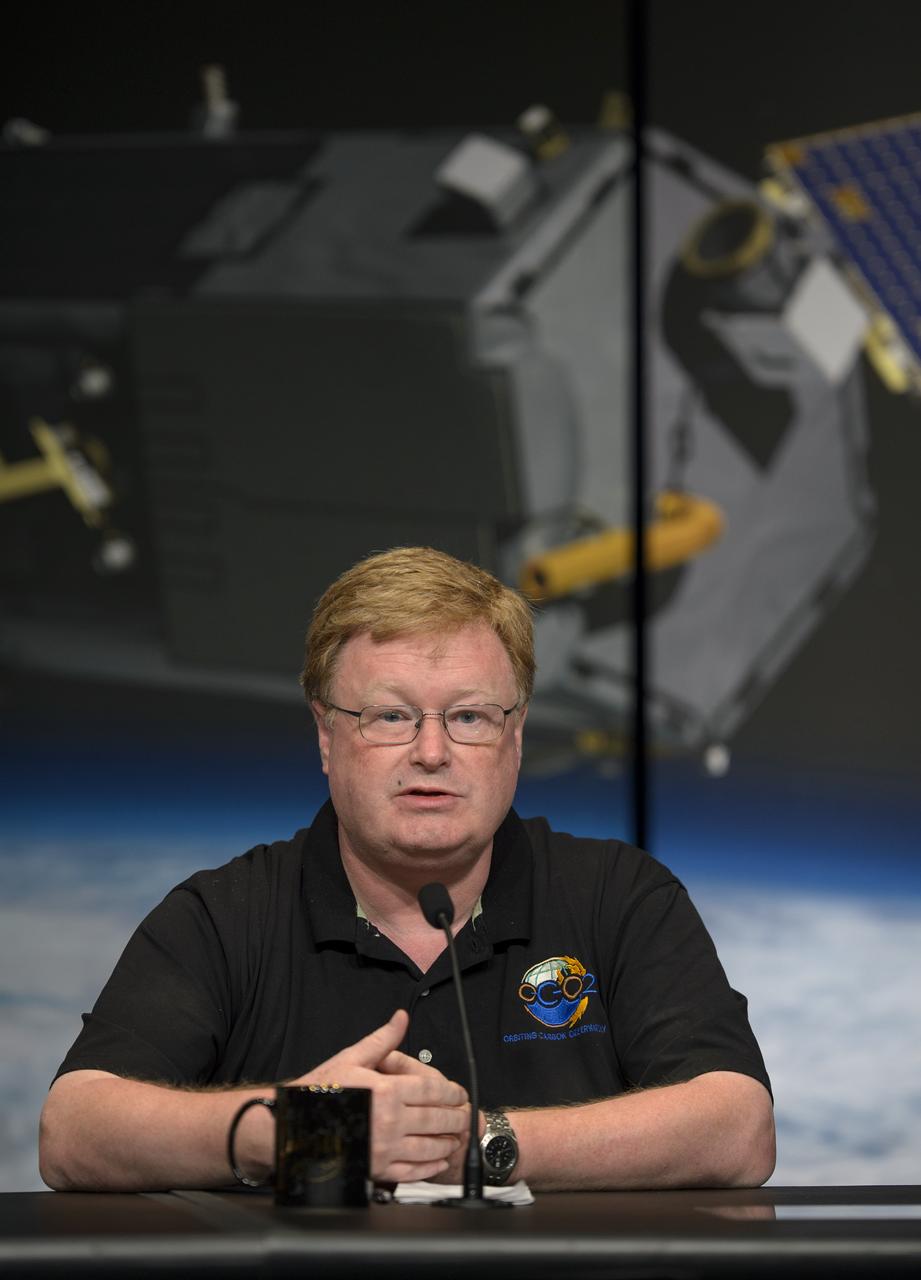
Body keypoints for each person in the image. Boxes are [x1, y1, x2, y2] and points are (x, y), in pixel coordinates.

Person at [40, 547, 774, 1192]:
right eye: (390, 716)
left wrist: (478, 1144)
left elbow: (736, 1128)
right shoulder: (225, 914)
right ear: (326, 735)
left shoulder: (619, 896)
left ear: (514, 738)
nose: (430, 752)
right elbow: (74, 1133)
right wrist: (299, 1131)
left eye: (469, 717)